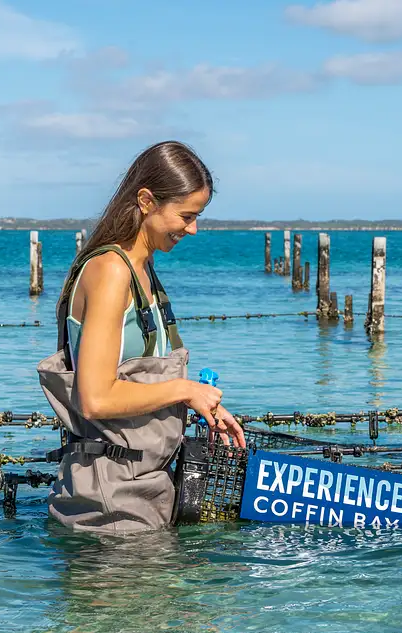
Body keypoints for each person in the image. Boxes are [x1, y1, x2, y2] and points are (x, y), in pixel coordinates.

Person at [37, 140, 246, 535]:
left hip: (146, 484)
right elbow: (94, 398)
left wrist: (208, 408)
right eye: (186, 216)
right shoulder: (111, 271)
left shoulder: (144, 270)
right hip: (110, 499)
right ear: (147, 200)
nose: (193, 229)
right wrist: (186, 391)